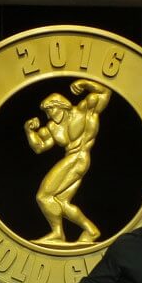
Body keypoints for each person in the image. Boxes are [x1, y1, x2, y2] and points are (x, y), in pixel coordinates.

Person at [24, 79, 110, 244]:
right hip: (73, 159)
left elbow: (104, 92)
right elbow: (39, 147)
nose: (49, 115)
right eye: (46, 112)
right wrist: (29, 131)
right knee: (60, 202)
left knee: (43, 196)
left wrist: (85, 83)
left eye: (50, 109)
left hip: (79, 157)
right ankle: (91, 231)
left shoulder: (84, 110)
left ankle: (57, 233)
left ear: (60, 105)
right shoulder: (52, 127)